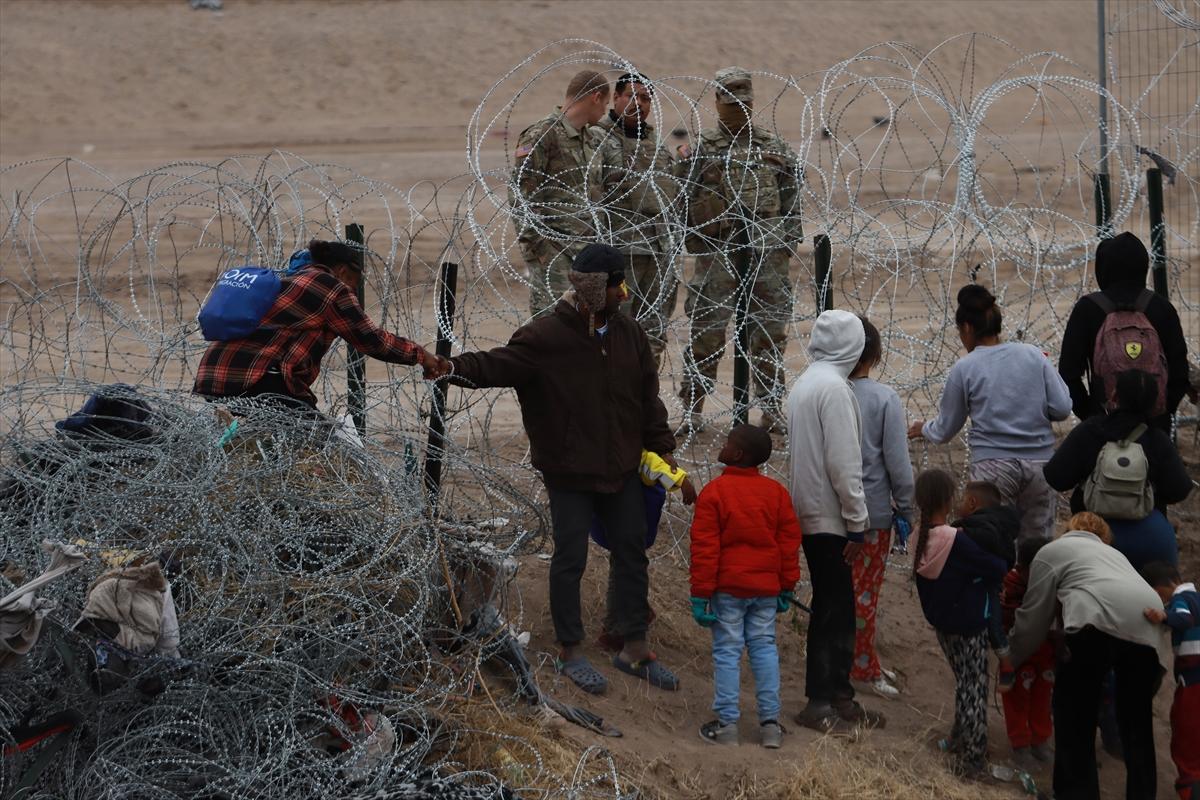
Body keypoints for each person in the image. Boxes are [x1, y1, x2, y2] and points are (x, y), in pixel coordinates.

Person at [445, 244, 684, 693]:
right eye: (617, 287)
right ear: (596, 290)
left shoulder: (629, 335)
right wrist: (449, 367)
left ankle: (634, 648)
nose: (625, 295)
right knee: (570, 558)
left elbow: (648, 400)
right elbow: (497, 365)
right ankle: (570, 650)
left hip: (622, 468)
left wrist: (661, 447)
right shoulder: (546, 338)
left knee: (632, 554)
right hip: (570, 471)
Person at [676, 67, 803, 430]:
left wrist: (783, 245)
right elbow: (682, 202)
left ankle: (771, 406)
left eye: (744, 103)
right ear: (717, 102)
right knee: (707, 331)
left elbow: (791, 202)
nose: (738, 109)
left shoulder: (773, 148)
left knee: (769, 331)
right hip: (718, 252)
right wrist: (702, 243)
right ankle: (693, 408)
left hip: (767, 252)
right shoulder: (700, 151)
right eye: (731, 103)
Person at [1009, 511, 1169, 800]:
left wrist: (1012, 657)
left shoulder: (1052, 551)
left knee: (1075, 713)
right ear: (1103, 537)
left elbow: (1033, 618)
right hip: (1149, 625)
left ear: (1068, 530)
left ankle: (1074, 794)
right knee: (1137, 724)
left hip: (1095, 623)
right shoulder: (1113, 556)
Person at [193, 239, 445, 412]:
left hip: (215, 375)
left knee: (258, 452)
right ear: (343, 270)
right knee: (317, 448)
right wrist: (422, 356)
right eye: (354, 282)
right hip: (258, 378)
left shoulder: (288, 280)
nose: (354, 290)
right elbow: (371, 340)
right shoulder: (328, 285)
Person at [909, 285, 1072, 541]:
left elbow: (945, 428)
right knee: (1037, 547)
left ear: (967, 328)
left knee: (992, 543)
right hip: (1040, 465)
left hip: (992, 468)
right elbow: (1062, 407)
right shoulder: (1032, 355)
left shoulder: (966, 367)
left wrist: (924, 428)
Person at [785, 309, 883, 732]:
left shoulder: (805, 384)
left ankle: (839, 697)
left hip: (807, 510)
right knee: (834, 611)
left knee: (836, 608)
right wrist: (857, 520)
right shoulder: (835, 390)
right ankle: (821, 703)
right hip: (832, 517)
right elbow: (844, 464)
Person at [689, 424, 802, 748]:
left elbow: (706, 549)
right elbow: (788, 543)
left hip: (729, 589)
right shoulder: (776, 493)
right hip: (765, 590)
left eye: (726, 443)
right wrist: (786, 586)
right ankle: (769, 725)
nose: (722, 446)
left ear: (737, 454)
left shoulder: (714, 493)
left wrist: (700, 594)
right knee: (764, 647)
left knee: (728, 651)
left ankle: (727, 725)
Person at [911, 469, 1009, 779]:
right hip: (969, 622)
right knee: (975, 688)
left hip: (942, 624)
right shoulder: (957, 539)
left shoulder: (917, 536)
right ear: (950, 500)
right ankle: (973, 760)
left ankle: (957, 738)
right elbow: (998, 567)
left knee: (964, 683)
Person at [1043, 368, 1193, 571]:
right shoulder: (1157, 440)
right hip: (1149, 537)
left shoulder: (1091, 431)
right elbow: (1180, 489)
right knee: (1157, 597)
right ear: (1155, 403)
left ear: (1114, 395)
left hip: (1092, 534)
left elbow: (1055, 477)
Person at [1058, 231, 1190, 431]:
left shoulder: (1087, 309)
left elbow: (1068, 374)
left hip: (1104, 426)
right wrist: (1162, 412)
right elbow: (1179, 373)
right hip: (1154, 429)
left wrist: (1091, 416)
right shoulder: (1161, 308)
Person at [847, 316, 914, 698]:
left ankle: (845, 658)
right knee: (865, 596)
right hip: (873, 514)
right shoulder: (884, 398)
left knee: (839, 592)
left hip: (832, 511)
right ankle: (863, 668)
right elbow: (898, 463)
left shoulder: (828, 392)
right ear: (875, 354)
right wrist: (906, 508)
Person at [510, 70, 611, 318]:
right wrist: (541, 253)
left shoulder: (591, 139)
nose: (605, 112)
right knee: (552, 332)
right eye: (606, 104)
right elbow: (521, 199)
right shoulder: (543, 135)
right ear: (596, 97)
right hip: (555, 257)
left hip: (588, 257)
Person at [596, 72, 680, 367]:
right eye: (631, 96)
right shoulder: (599, 139)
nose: (639, 103)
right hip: (621, 252)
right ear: (616, 98)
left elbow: (672, 195)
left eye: (645, 98)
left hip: (659, 250)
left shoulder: (657, 143)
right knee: (615, 329)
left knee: (653, 332)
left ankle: (645, 398)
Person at [950, 480, 1020, 689]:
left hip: (988, 584)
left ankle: (1007, 665)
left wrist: (958, 530)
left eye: (962, 499)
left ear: (972, 502)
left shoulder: (981, 527)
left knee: (993, 626)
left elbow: (985, 540)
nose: (959, 504)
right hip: (991, 581)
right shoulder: (1003, 525)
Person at [1142, 561, 1200, 800]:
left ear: (1161, 589)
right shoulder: (1197, 597)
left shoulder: (1180, 599)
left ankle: (1190, 787)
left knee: (1185, 733)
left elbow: (1183, 619)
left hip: (1194, 679)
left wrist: (1164, 615)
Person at [1000, 537, 1055, 771]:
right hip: (1020, 654)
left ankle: (1040, 740)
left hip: (1046, 652)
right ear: (1023, 569)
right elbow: (1011, 623)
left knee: (1043, 697)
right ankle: (1020, 744)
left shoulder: (1052, 583)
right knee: (1017, 698)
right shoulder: (1011, 584)